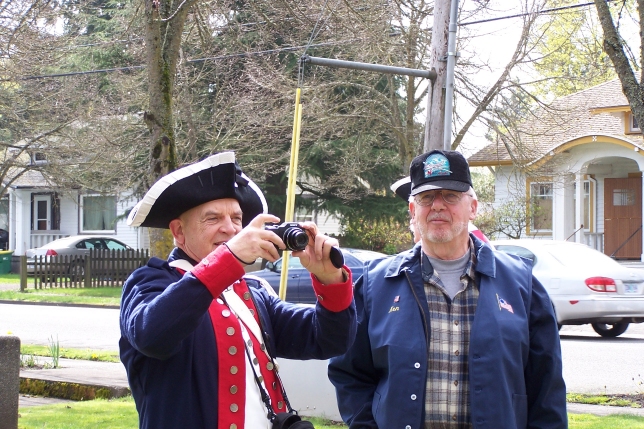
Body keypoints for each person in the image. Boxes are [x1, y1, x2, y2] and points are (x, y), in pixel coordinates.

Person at [329, 150, 566, 428]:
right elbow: (349, 374)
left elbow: (547, 386)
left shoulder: (521, 285)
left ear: (473, 207)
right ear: (413, 210)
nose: (438, 205)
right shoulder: (376, 285)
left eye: (451, 196)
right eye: (426, 197)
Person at [119, 152, 356, 429]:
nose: (230, 229)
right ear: (179, 232)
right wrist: (228, 259)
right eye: (212, 218)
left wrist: (330, 280)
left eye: (236, 218)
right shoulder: (149, 282)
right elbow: (152, 335)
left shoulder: (252, 292)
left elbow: (329, 340)